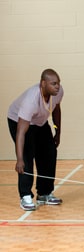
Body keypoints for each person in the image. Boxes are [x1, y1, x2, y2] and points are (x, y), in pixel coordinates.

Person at [7, 69, 64, 211]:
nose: (57, 86)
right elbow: (20, 132)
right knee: (27, 155)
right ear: (43, 84)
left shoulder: (57, 92)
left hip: (39, 121)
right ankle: (25, 196)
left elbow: (56, 109)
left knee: (49, 152)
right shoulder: (31, 100)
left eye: (58, 83)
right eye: (53, 83)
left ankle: (44, 193)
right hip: (18, 121)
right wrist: (19, 159)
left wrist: (57, 132)